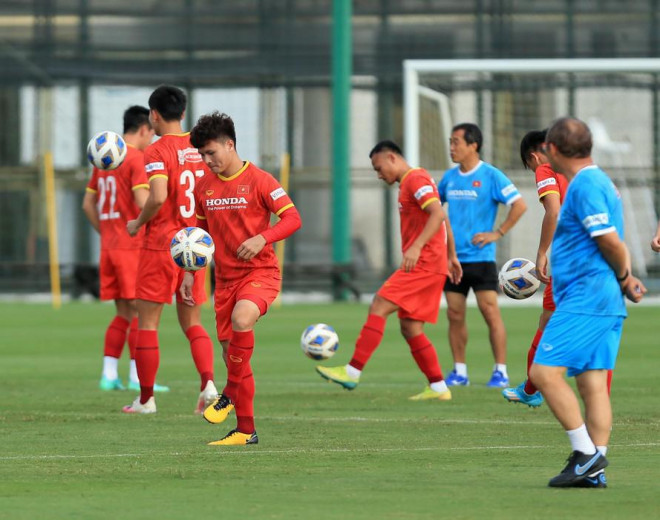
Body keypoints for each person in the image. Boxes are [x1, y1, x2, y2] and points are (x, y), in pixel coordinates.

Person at [529, 117, 646, 488]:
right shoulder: (599, 180)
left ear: (553, 149)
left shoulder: (585, 184)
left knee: (543, 374)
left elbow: (609, 239)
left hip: (587, 298)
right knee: (592, 384)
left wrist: (625, 276)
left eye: (546, 147)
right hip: (600, 297)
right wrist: (623, 279)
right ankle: (595, 472)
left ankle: (586, 454)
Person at [180, 111, 302, 446]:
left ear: (230, 145)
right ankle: (246, 430)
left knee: (242, 318)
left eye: (211, 153)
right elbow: (200, 235)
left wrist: (264, 237)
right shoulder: (204, 187)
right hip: (225, 281)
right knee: (233, 355)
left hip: (260, 273)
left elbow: (293, 218)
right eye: (202, 155)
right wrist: (190, 273)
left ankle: (229, 392)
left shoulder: (261, 180)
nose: (207, 161)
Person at [315, 140, 462, 401]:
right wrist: (451, 255)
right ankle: (439, 387)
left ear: (392, 157)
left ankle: (352, 371)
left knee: (379, 304)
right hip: (434, 263)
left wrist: (417, 246)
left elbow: (437, 214)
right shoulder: (412, 182)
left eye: (378, 167)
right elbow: (442, 216)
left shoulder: (415, 179)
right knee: (410, 327)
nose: (378, 174)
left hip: (424, 263)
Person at [122, 85, 217, 414]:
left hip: (162, 244)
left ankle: (146, 399)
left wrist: (138, 222)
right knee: (193, 323)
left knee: (148, 323)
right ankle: (208, 385)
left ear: (154, 115)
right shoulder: (200, 147)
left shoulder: (156, 150)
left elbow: (159, 196)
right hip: (196, 245)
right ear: (183, 113)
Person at [82, 106, 169, 393]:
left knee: (122, 313)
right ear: (144, 129)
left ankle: (108, 376)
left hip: (109, 246)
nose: (151, 140)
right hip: (132, 247)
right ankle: (137, 377)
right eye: (151, 134)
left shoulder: (104, 159)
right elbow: (144, 202)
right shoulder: (136, 158)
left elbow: (87, 204)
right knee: (141, 313)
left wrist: (107, 233)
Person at [437, 123, 527, 388]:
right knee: (454, 315)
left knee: (490, 313)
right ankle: (459, 372)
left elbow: (519, 205)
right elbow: (434, 210)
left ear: (473, 145)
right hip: (454, 260)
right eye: (450, 142)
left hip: (482, 258)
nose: (451, 147)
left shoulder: (491, 175)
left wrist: (497, 233)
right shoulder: (449, 178)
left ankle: (501, 371)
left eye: (456, 142)